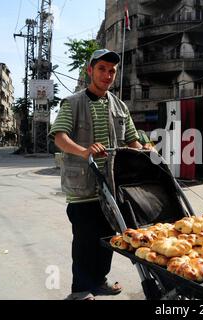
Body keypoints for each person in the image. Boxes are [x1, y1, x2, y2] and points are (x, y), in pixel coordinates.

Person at [49, 49, 149, 300]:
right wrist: (84, 151)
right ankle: (81, 290)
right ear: (90, 71)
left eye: (111, 71)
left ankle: (99, 281)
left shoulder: (120, 106)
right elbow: (59, 136)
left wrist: (146, 151)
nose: (107, 74)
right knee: (85, 241)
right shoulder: (72, 103)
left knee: (110, 239)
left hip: (113, 187)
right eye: (102, 68)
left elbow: (132, 140)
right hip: (83, 187)